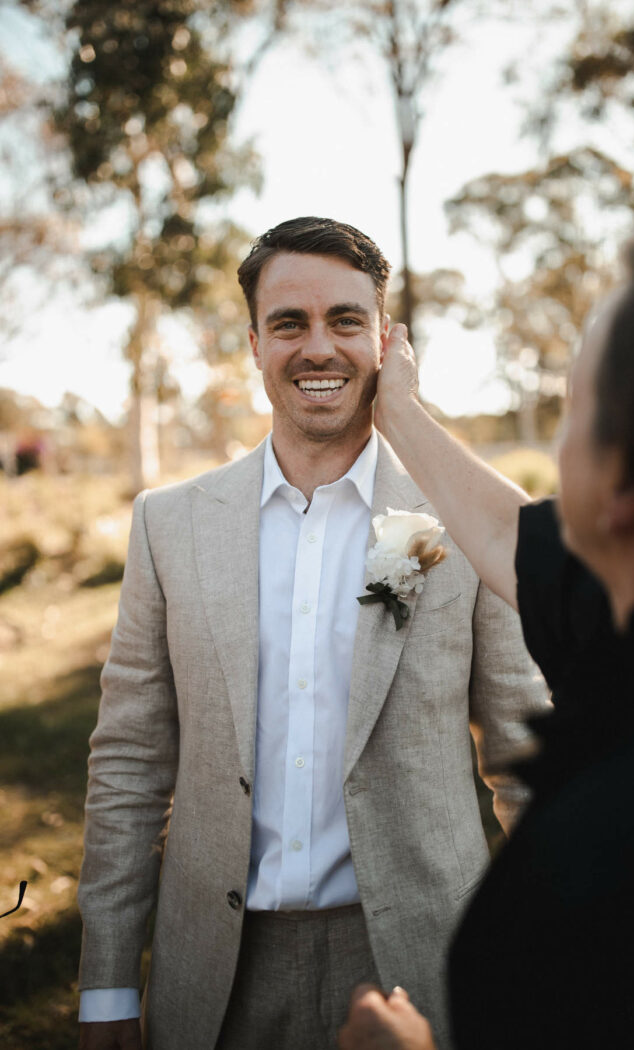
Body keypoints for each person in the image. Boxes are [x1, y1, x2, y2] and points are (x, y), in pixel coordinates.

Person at [76, 216, 548, 1050]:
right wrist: (109, 985)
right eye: (290, 323)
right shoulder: (169, 526)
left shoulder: (468, 525)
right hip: (216, 974)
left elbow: (527, 760)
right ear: (255, 343)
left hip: (420, 964)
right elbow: (129, 765)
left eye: (346, 320)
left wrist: (577, 952)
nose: (318, 347)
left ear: (385, 339)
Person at [339, 240, 634, 1050]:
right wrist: (399, 408)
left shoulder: (620, 862)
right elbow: (512, 534)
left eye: (575, 408)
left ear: (626, 493)